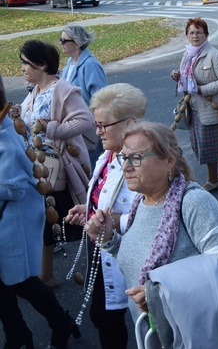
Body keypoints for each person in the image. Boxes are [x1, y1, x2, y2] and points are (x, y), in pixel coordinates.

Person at [85, 122, 218, 347]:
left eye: (137, 158)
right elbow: (138, 258)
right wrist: (109, 240)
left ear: (169, 160)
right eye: (124, 158)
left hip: (200, 336)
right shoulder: (141, 201)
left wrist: (157, 294)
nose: (126, 168)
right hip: (164, 335)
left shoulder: (194, 202)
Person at [0, 73, 81, 349]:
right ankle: (17, 333)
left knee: (24, 283)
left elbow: (13, 188)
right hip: (6, 220)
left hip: (12, 224)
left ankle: (61, 323)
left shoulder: (6, 140)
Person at [64, 83, 147, 349]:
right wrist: (87, 209)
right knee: (101, 315)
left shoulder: (141, 160)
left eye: (103, 125)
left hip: (123, 251)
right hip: (101, 244)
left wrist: (114, 221)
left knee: (116, 317)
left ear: (130, 122)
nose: (97, 131)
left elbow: (150, 213)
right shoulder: (110, 152)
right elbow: (105, 194)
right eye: (96, 124)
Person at [13, 40, 93, 288]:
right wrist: (19, 115)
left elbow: (85, 120)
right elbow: (32, 125)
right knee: (47, 224)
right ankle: (46, 275)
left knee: (77, 220)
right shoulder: (34, 90)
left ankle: (100, 266)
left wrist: (53, 128)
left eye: (26, 63)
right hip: (39, 169)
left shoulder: (63, 90)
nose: (22, 68)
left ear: (42, 64)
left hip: (59, 170)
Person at [170, 17, 218, 193]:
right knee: (200, 144)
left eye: (199, 32)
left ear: (206, 34)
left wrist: (203, 89)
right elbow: (187, 78)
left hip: (211, 108)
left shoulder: (215, 55)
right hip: (193, 108)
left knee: (208, 145)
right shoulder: (188, 54)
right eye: (191, 32)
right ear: (187, 35)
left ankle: (213, 180)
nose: (195, 36)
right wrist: (176, 76)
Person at [60, 25, 107, 167]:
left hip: (89, 129)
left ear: (77, 43)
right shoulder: (70, 63)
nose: (60, 43)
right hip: (75, 126)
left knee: (91, 167)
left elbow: (101, 98)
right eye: (60, 39)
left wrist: (98, 125)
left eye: (64, 40)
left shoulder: (90, 65)